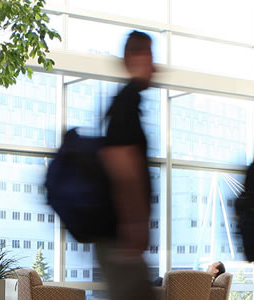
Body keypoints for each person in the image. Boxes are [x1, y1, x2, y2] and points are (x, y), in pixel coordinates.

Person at [92, 31, 157, 300]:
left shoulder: (126, 102)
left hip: (118, 238)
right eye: (149, 57)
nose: (153, 67)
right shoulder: (126, 102)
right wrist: (135, 227)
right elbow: (121, 164)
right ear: (133, 58)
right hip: (120, 238)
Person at [152, 261, 225, 287]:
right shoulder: (206, 280)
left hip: (175, 288)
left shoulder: (206, 279)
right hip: (175, 286)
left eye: (212, 265)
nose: (209, 266)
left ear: (216, 271)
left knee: (158, 280)